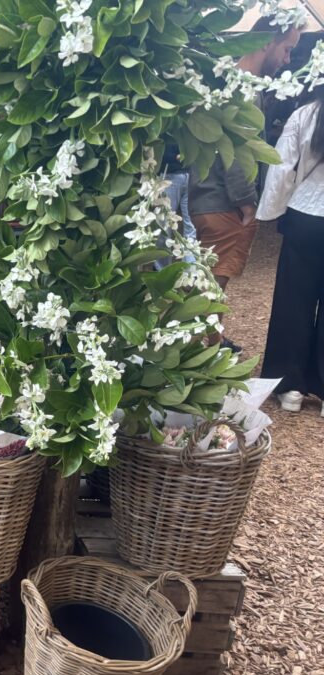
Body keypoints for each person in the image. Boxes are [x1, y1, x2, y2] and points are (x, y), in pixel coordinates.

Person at [188, 18, 302, 350]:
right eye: (287, 49)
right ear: (266, 42)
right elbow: (235, 152)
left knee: (208, 284)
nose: (287, 60)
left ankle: (211, 342)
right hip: (223, 202)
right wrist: (248, 202)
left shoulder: (227, 81)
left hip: (208, 198)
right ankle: (202, 355)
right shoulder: (243, 89)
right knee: (211, 288)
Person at [256, 85, 324, 414]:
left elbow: (281, 166)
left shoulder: (304, 115)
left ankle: (290, 387)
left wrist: (271, 211)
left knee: (293, 300)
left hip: (305, 215)